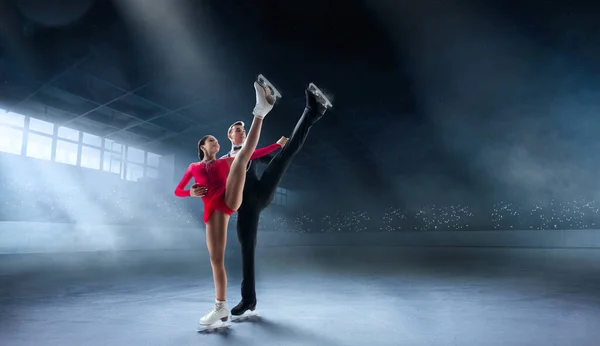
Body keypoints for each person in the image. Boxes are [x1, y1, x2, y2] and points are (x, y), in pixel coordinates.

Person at [192, 84, 329, 317]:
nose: (242, 132)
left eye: (243, 130)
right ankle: (249, 300)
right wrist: (198, 190)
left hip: (261, 190)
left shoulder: (249, 151)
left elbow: (264, 157)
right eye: (237, 130)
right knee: (247, 250)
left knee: (286, 155)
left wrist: (277, 147)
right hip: (245, 207)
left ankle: (312, 111)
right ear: (229, 135)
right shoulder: (222, 161)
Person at [174, 81, 281, 328]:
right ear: (203, 146)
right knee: (216, 260)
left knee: (242, 156)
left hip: (229, 201)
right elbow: (178, 190)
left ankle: (260, 112)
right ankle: (220, 307)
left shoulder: (225, 161)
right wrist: (189, 193)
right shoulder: (194, 167)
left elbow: (251, 153)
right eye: (212, 141)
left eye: (217, 142)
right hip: (213, 209)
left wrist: (275, 145)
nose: (217, 144)